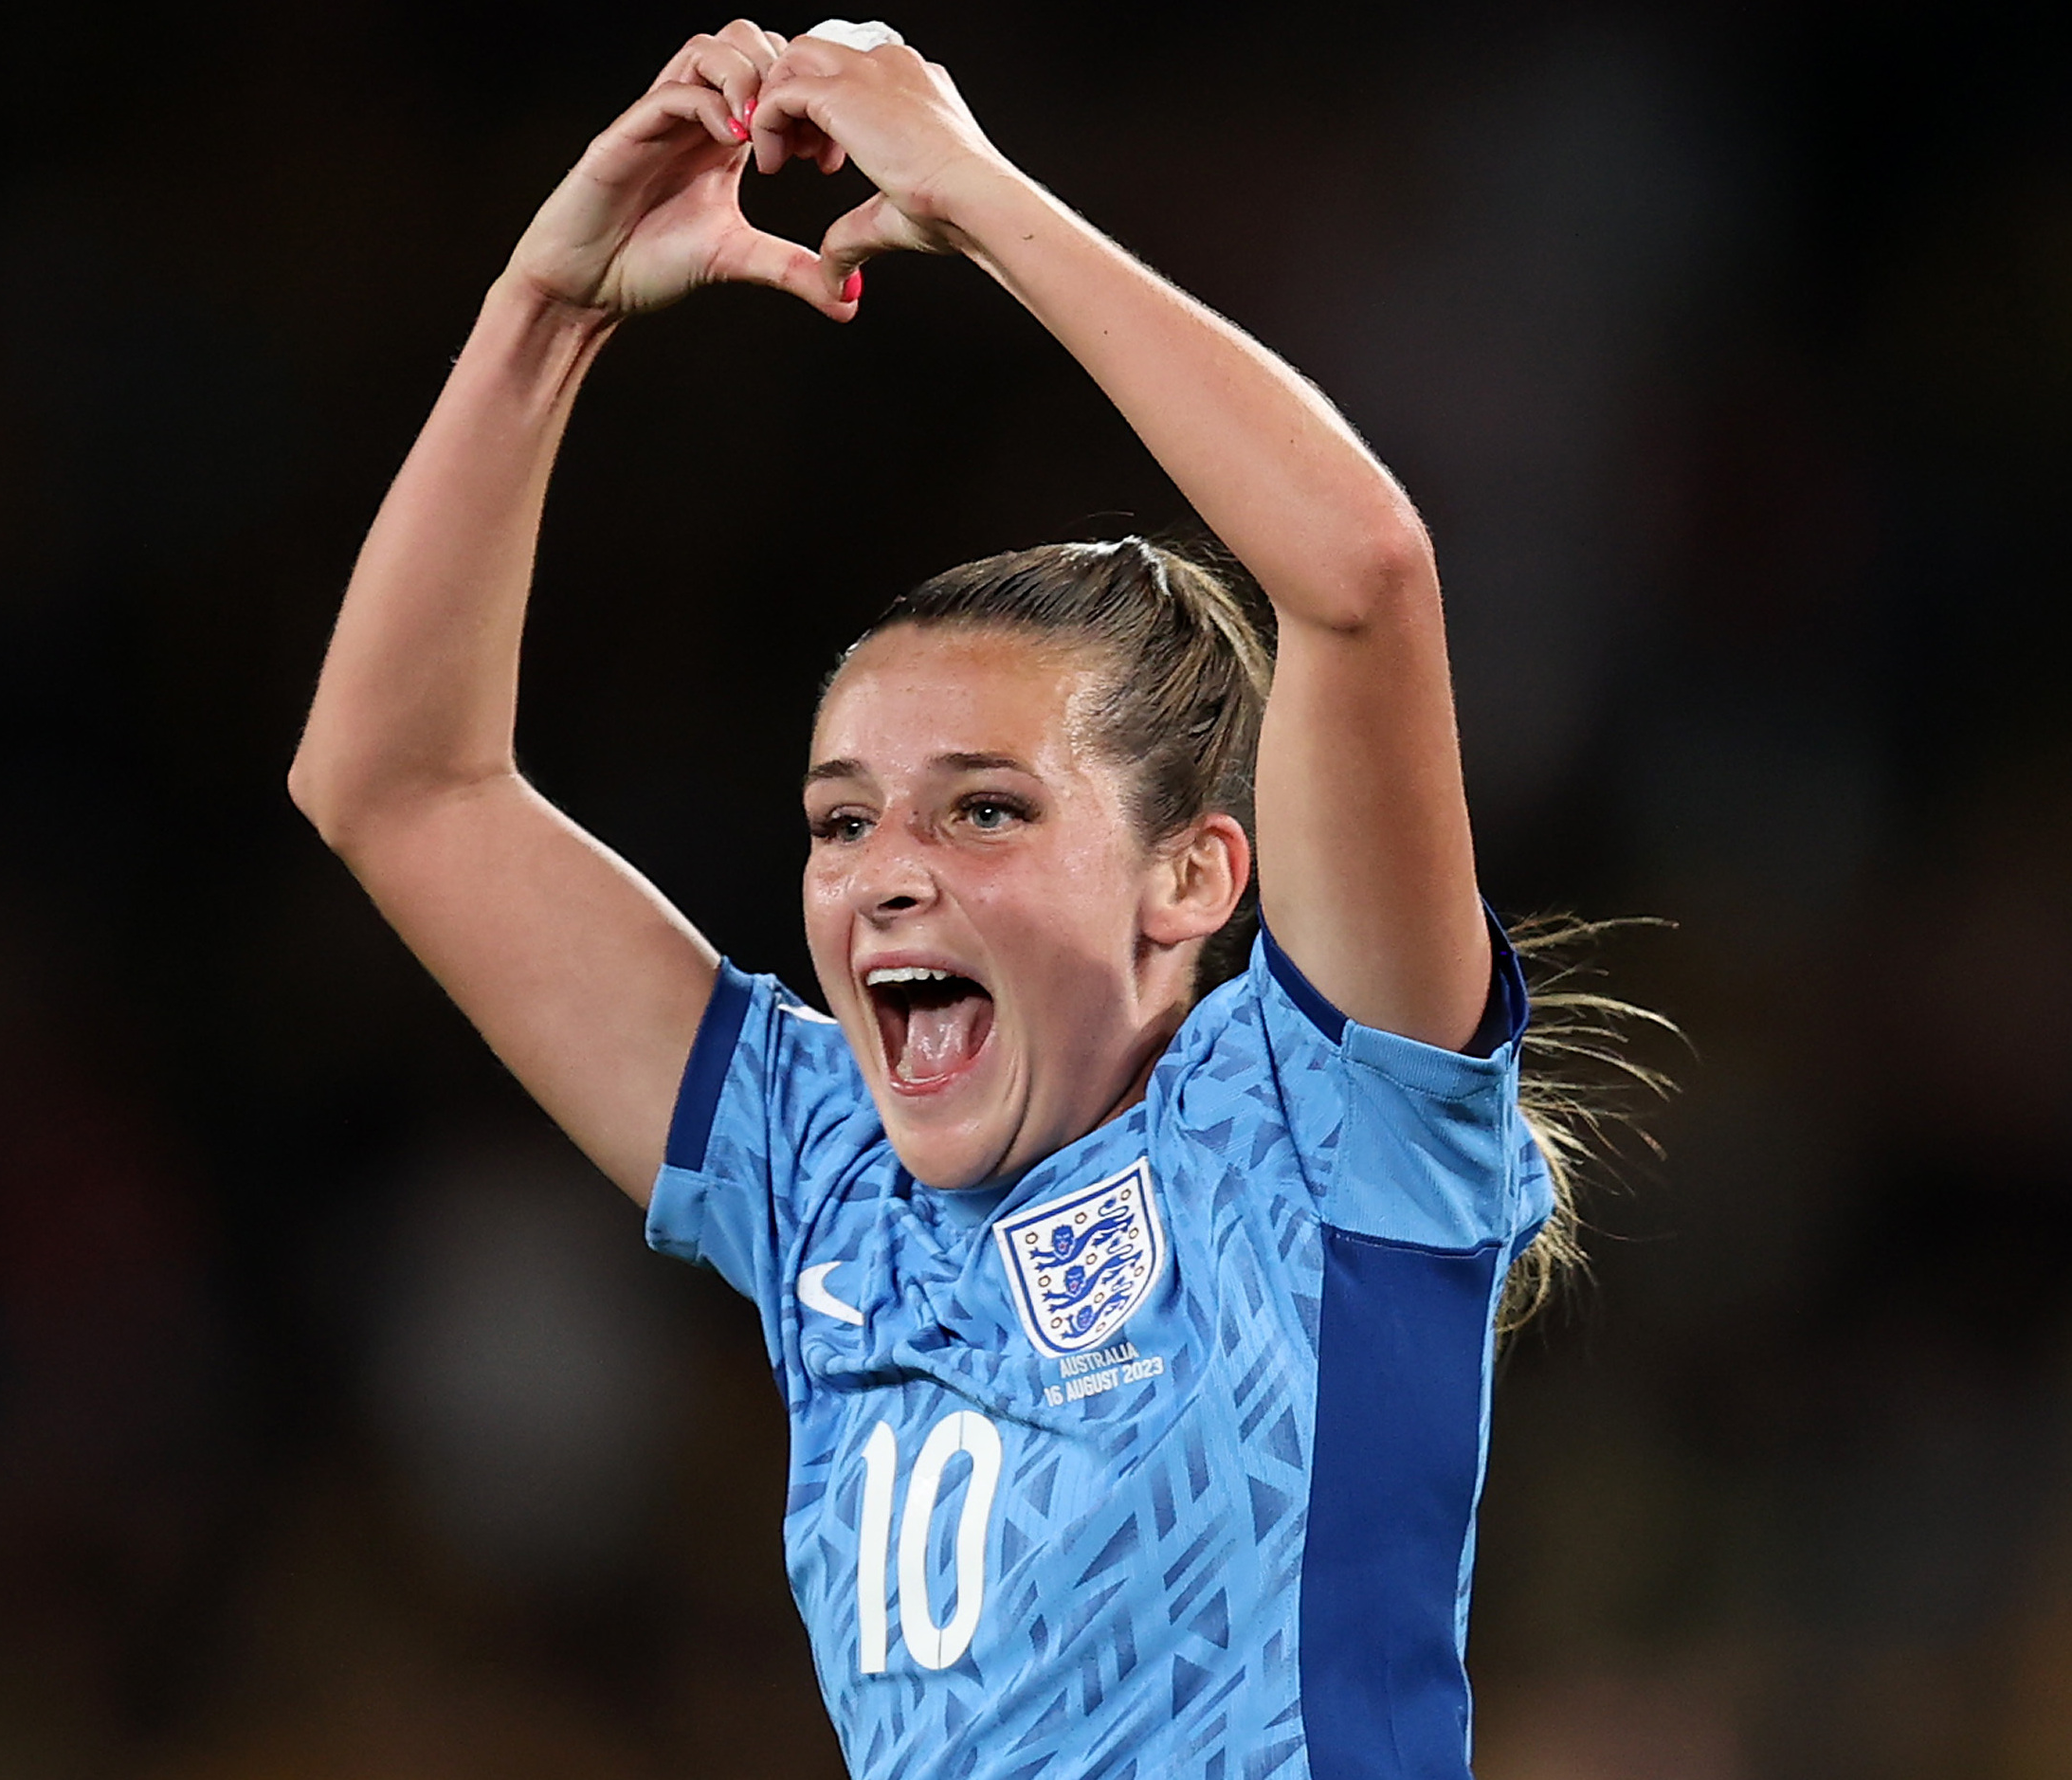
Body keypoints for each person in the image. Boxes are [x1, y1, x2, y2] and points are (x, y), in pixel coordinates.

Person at [289, 20, 1619, 1777]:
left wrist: (978, 201)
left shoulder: (1328, 1128)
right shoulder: (821, 1173)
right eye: (841, 822)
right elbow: (393, 784)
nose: (887, 872)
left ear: (1195, 875)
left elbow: (1362, 573)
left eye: (983, 808)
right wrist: (546, 313)